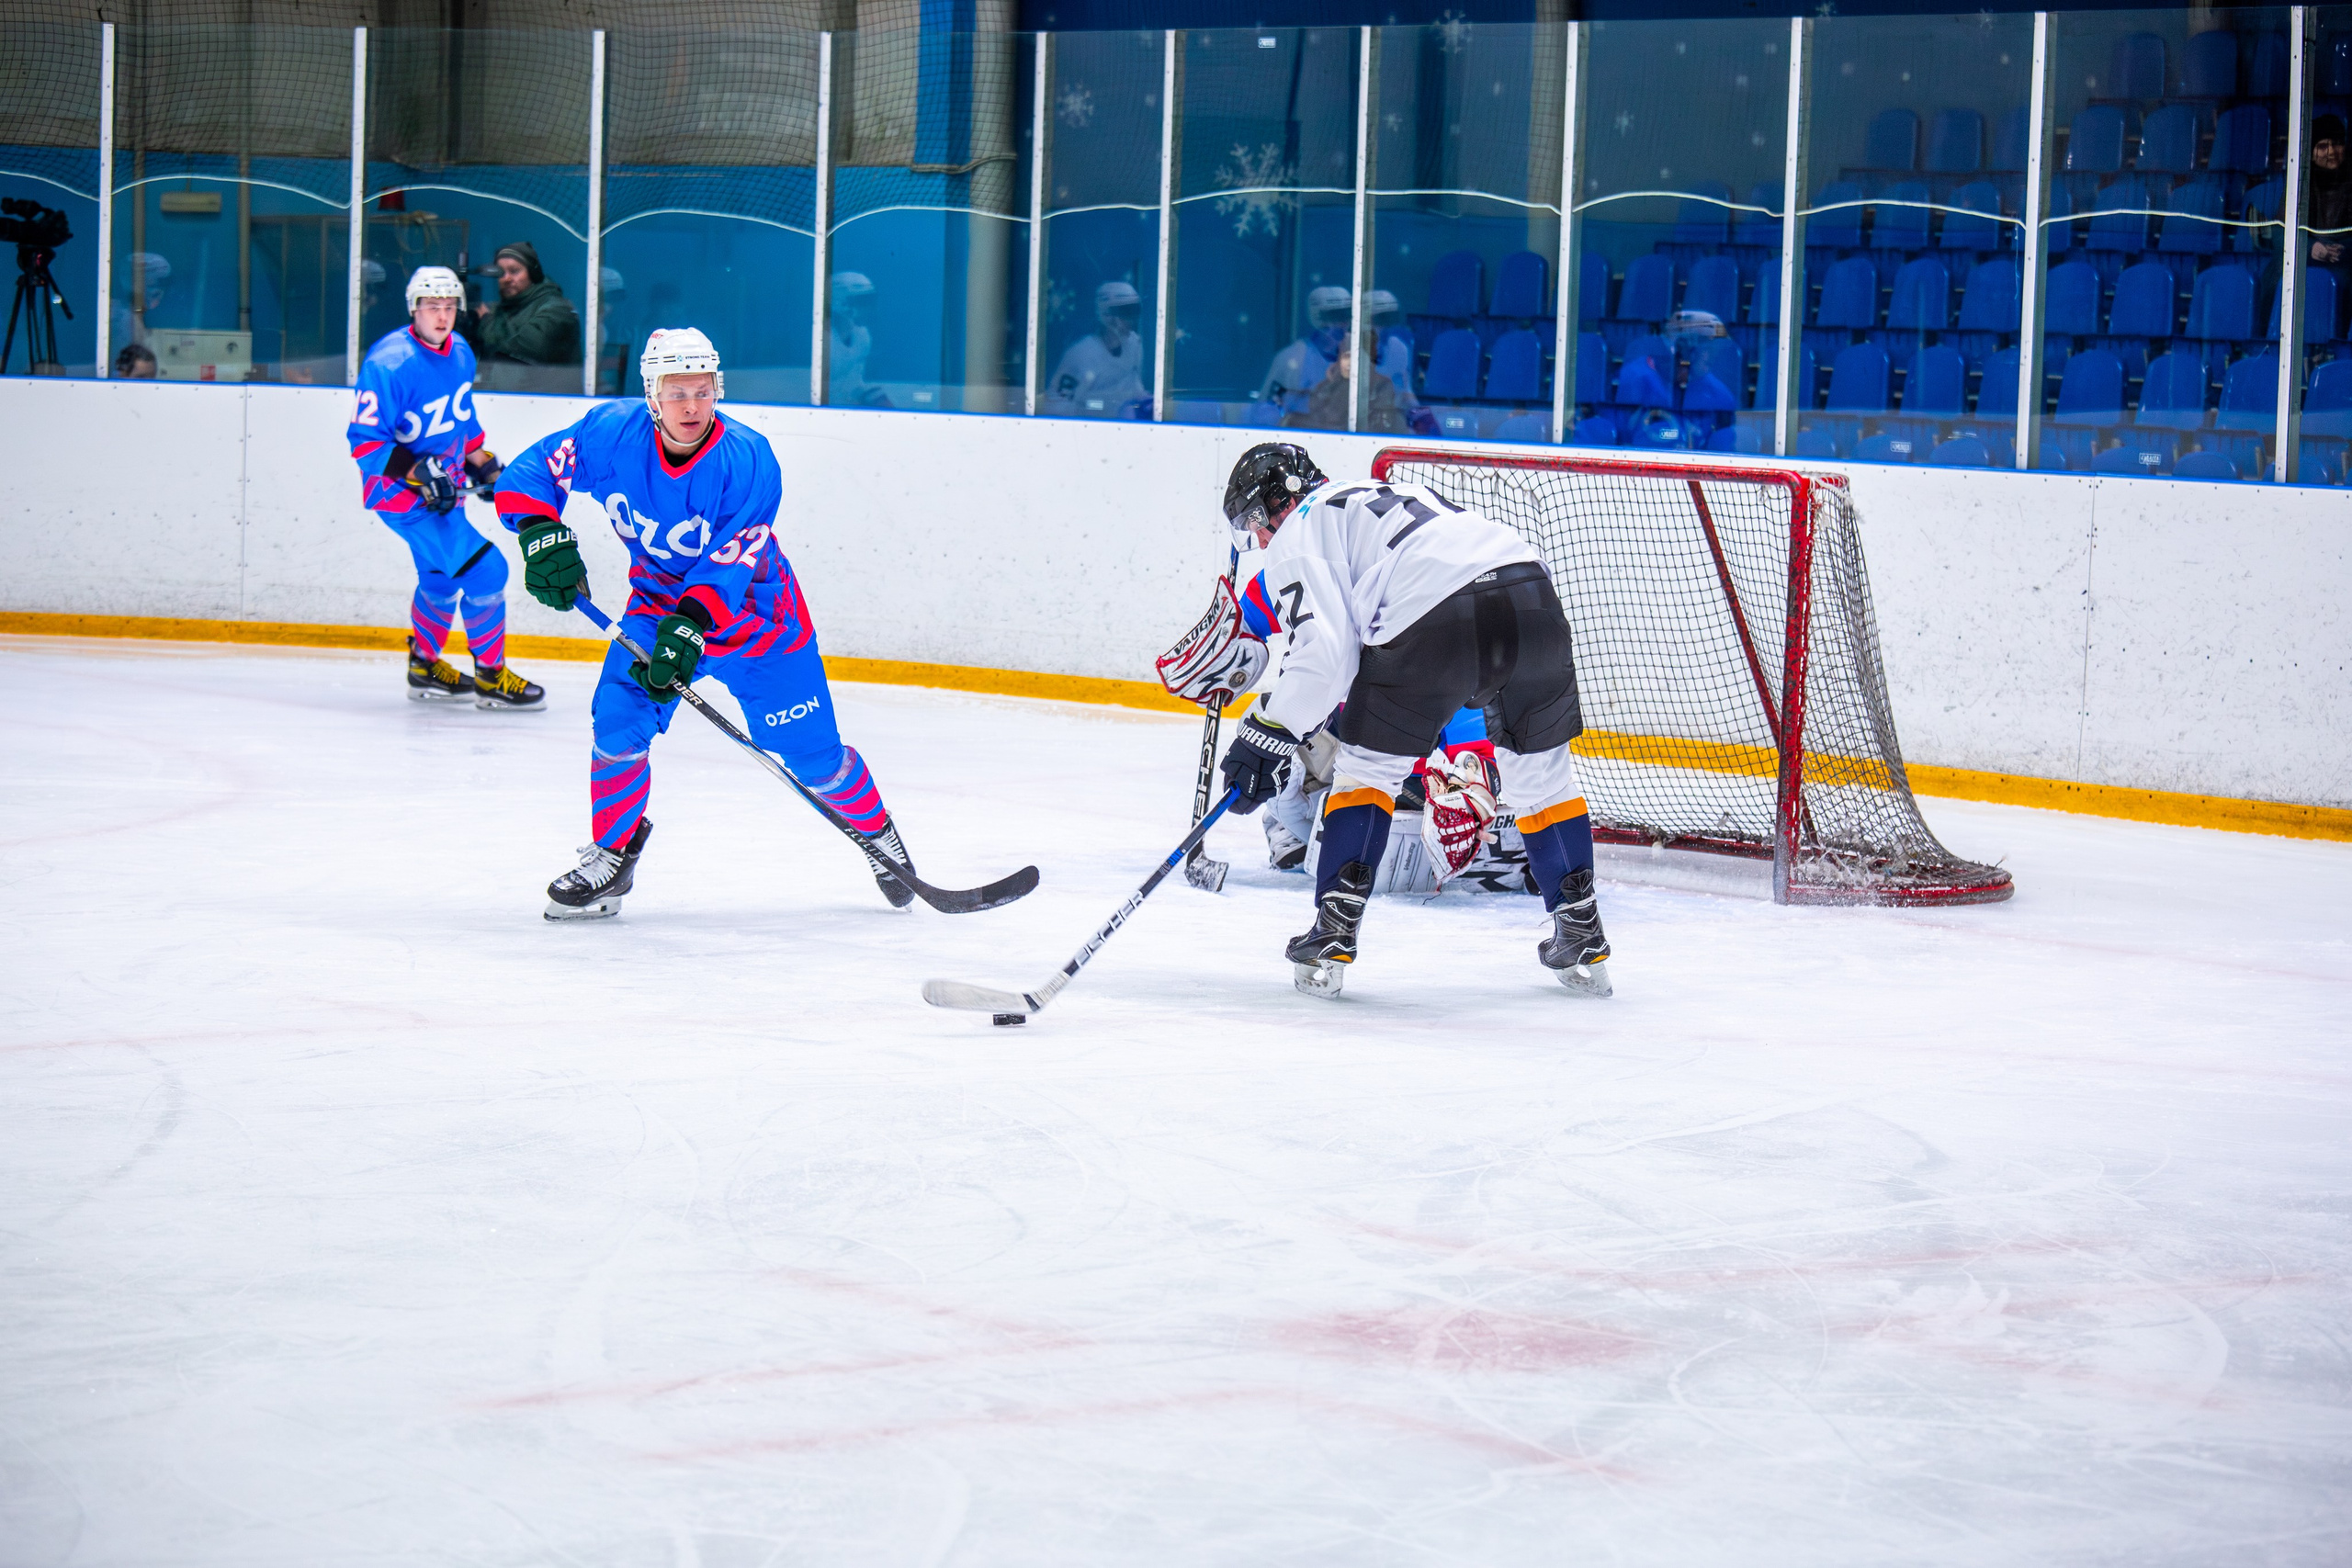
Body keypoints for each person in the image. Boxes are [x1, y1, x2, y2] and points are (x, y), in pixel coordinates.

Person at [495, 327, 922, 920]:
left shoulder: (748, 460)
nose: (691, 406)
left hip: (758, 618)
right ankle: (612, 855)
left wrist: (691, 626)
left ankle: (878, 835)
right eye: (677, 392)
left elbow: (727, 569)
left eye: (702, 390)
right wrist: (540, 532)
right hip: (656, 608)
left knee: (811, 755)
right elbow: (531, 471)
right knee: (617, 719)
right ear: (651, 395)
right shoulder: (608, 436)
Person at [1207, 443, 1611, 999]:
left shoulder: (1300, 528)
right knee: (1542, 780)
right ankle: (1580, 927)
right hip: (1531, 596)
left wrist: (1266, 732)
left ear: (1272, 505)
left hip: (1435, 617)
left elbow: (1325, 660)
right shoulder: (1392, 495)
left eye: (1254, 525)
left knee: (1367, 771)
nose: (1258, 541)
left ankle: (1334, 931)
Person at [348, 265, 545, 710]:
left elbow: (460, 419)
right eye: (432, 307)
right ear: (414, 310)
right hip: (400, 496)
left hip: (444, 492)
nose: (442, 316)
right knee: (487, 571)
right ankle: (492, 678)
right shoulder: (389, 363)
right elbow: (365, 444)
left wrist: (481, 463)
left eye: (450, 306)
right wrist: (419, 473)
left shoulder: (459, 351)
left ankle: (424, 666)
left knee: (440, 580)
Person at [1042, 281, 1149, 418]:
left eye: (1135, 312)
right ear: (1107, 315)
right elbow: (1054, 405)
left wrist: (1144, 399)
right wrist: (1096, 408)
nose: (1132, 320)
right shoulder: (1081, 355)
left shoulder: (1134, 344)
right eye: (1126, 312)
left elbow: (1134, 386)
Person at [470, 242, 581, 373]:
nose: (506, 279)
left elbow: (532, 346)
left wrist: (486, 323)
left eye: (514, 271)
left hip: (545, 392)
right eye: (500, 273)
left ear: (533, 274)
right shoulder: (500, 310)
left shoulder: (558, 309)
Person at [1285, 330, 1411, 434]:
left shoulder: (1382, 386)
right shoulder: (1325, 388)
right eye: (1346, 356)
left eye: (1358, 357)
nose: (1351, 363)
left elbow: (1379, 426)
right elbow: (1317, 422)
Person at [1256, 286, 1352, 417]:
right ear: (1318, 318)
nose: (1342, 324)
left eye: (1346, 315)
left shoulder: (1360, 353)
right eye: (1334, 317)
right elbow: (1265, 409)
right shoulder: (1291, 358)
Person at [827, 272, 889, 407]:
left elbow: (853, 383)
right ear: (840, 303)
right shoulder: (823, 342)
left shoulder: (862, 336)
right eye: (862, 302)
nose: (869, 309)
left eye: (870, 301)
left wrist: (872, 396)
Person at [2311, 114, 2347, 269]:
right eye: (2323, 146)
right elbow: (2282, 232)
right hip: (2305, 263)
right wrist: (2311, 248)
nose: (2332, 152)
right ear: (2311, 153)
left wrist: (2344, 249)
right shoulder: (2300, 184)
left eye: (2337, 144)